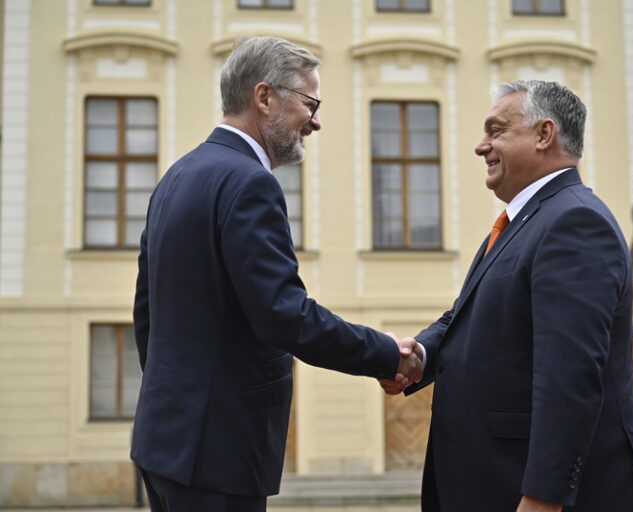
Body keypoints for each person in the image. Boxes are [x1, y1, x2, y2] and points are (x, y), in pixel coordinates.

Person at [131, 36, 423, 512]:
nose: (317, 121)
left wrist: (176, 409)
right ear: (264, 98)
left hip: (165, 444)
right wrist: (386, 353)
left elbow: (147, 313)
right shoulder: (250, 183)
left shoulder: (176, 177)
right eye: (310, 103)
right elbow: (283, 315)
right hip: (220, 451)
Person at [380, 81, 633, 512]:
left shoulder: (575, 222)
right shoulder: (525, 221)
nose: (481, 146)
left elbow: (569, 375)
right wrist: (419, 353)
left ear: (544, 135)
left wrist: (543, 496)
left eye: (496, 131)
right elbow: (467, 318)